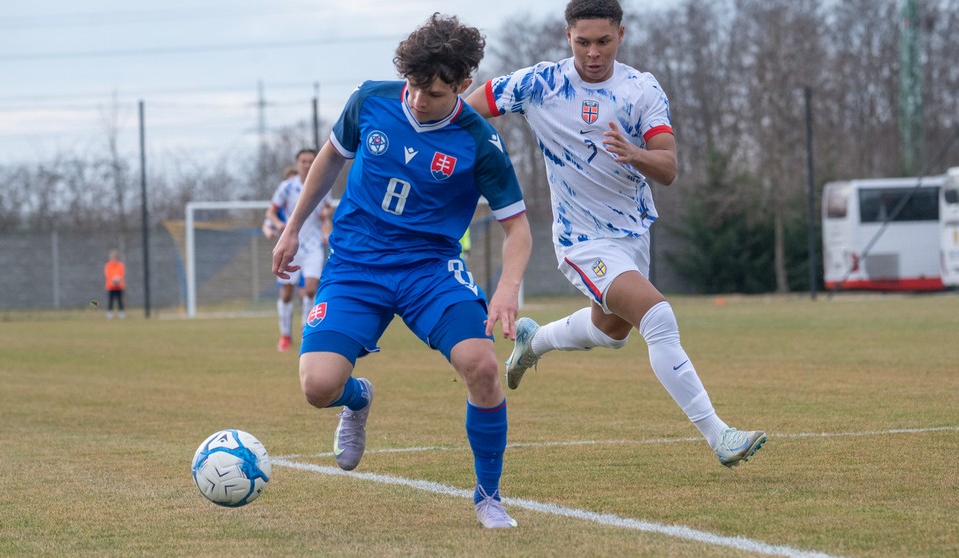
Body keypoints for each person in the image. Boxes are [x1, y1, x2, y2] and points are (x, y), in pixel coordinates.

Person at [464, 0, 766, 469]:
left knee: (610, 333)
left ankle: (535, 341)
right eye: (583, 42)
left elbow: (668, 167)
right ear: (568, 37)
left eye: (603, 41)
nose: (592, 53)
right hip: (580, 241)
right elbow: (469, 107)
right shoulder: (540, 83)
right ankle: (719, 435)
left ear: (620, 36)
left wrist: (635, 153)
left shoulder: (641, 89)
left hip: (630, 234)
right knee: (658, 318)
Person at [272, 13, 532, 528]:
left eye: (433, 93)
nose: (416, 100)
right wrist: (292, 228)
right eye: (412, 86)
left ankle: (488, 496)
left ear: (463, 85)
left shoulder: (479, 142)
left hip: (429, 271)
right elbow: (329, 159)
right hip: (355, 265)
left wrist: (506, 288)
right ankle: (358, 397)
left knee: (481, 367)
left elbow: (518, 228)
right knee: (317, 387)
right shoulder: (371, 99)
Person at [264, 149, 333, 352]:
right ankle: (285, 334)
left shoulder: (324, 184)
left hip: (312, 246)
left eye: (311, 161)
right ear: (297, 164)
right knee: (287, 293)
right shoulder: (286, 187)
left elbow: (326, 212)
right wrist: (278, 224)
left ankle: (306, 330)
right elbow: (271, 211)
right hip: (291, 244)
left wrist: (326, 220)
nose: (307, 165)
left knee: (311, 288)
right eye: (303, 161)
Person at [103, 249, 126, 319]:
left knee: (120, 300)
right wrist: (113, 281)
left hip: (119, 286)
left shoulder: (120, 265)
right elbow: (108, 275)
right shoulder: (108, 265)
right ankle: (109, 313)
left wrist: (118, 279)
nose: (113, 258)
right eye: (112, 257)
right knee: (110, 300)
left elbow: (122, 274)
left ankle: (121, 313)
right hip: (111, 286)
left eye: (115, 257)